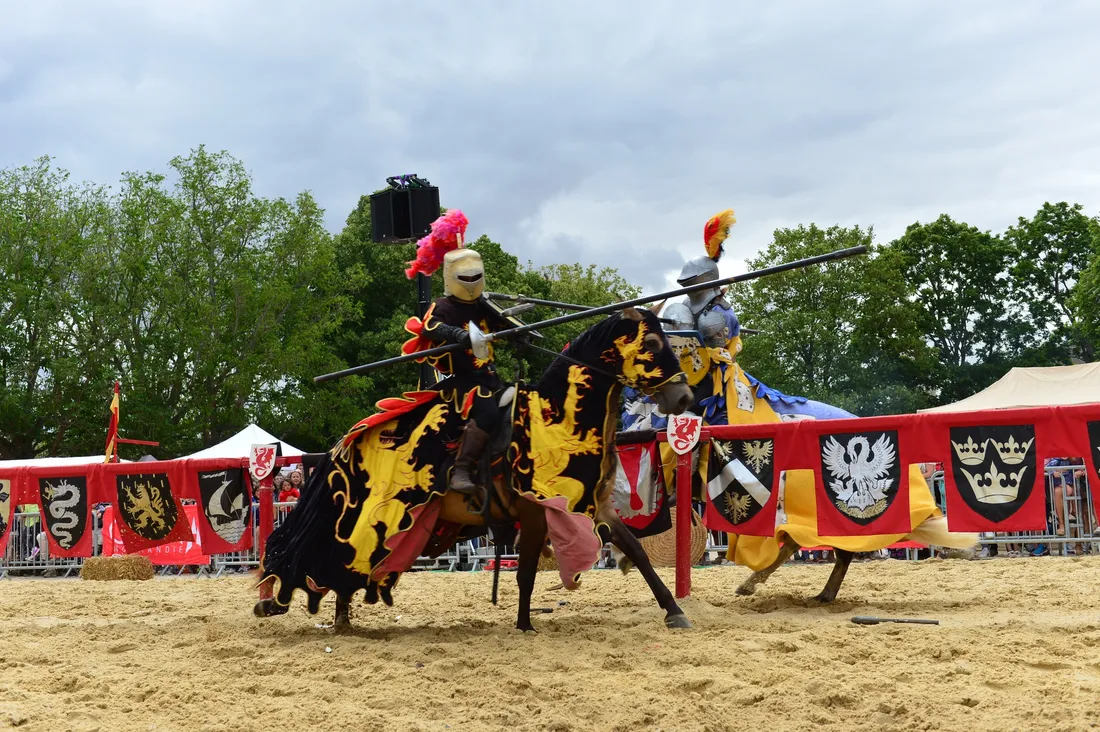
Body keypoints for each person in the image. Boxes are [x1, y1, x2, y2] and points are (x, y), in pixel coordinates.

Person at [403, 211, 527, 496]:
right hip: (462, 382)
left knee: (521, 403)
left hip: (489, 376)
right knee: (485, 408)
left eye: (475, 276)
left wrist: (519, 331)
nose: (471, 281)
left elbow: (502, 322)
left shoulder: (484, 304)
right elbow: (430, 326)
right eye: (465, 277)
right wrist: (456, 334)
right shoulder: (444, 305)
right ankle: (461, 469)